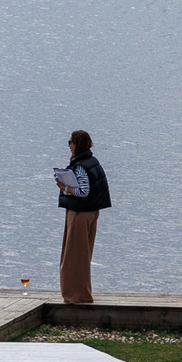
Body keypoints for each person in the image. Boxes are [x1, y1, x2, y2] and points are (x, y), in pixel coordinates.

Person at [56, 130, 112, 306]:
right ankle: (80, 292)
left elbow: (83, 191)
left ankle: (76, 296)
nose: (69, 145)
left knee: (73, 256)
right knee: (83, 254)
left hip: (80, 213)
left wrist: (64, 187)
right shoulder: (92, 161)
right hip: (91, 212)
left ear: (76, 145)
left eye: (70, 142)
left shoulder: (80, 166)